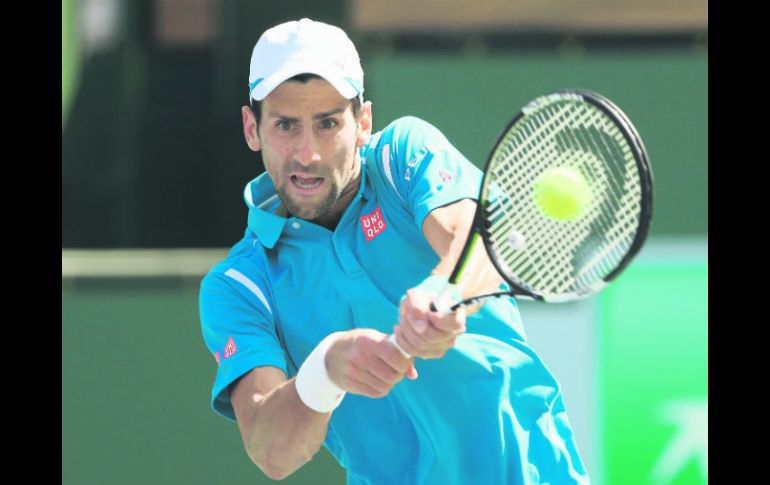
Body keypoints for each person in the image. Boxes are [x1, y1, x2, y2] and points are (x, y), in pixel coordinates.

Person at [199, 17, 590, 485]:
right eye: (286, 125)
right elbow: (272, 452)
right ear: (252, 128)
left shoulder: (402, 155)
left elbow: (475, 237)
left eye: (328, 123)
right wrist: (326, 370)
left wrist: (445, 290)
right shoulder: (240, 285)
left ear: (363, 122)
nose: (309, 154)